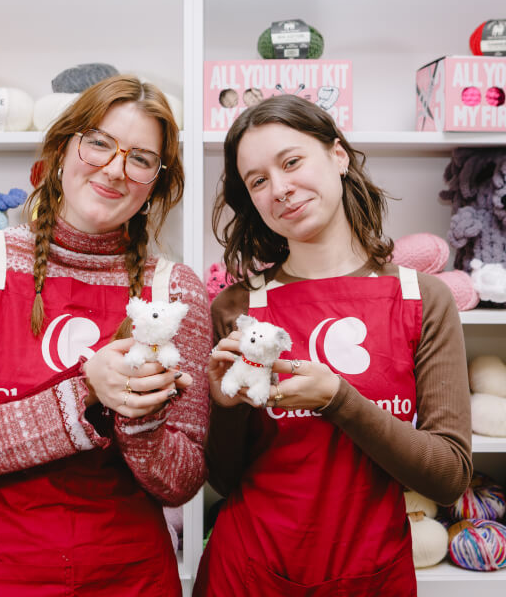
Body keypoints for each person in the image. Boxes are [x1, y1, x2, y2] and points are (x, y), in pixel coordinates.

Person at [0, 75, 211, 596]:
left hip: (130, 577)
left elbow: (181, 483)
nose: (114, 169)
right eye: (99, 143)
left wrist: (140, 417)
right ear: (63, 148)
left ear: (155, 185)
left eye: (140, 159)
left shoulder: (175, 289)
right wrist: (87, 390)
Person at [194, 94, 472, 596]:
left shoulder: (422, 298)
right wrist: (227, 406)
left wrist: (338, 400)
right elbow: (225, 478)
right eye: (258, 181)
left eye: (291, 162)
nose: (280, 189)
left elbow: (449, 477)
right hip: (249, 574)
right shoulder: (236, 307)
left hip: (373, 575)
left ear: (338, 156)